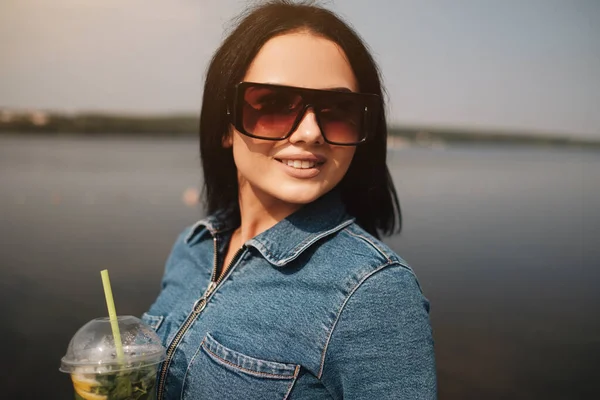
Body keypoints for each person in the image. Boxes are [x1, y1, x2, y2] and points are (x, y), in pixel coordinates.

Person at [143, 1, 437, 398]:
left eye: (338, 110)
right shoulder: (192, 246)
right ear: (225, 125)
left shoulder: (373, 293)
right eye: (274, 105)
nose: (310, 132)